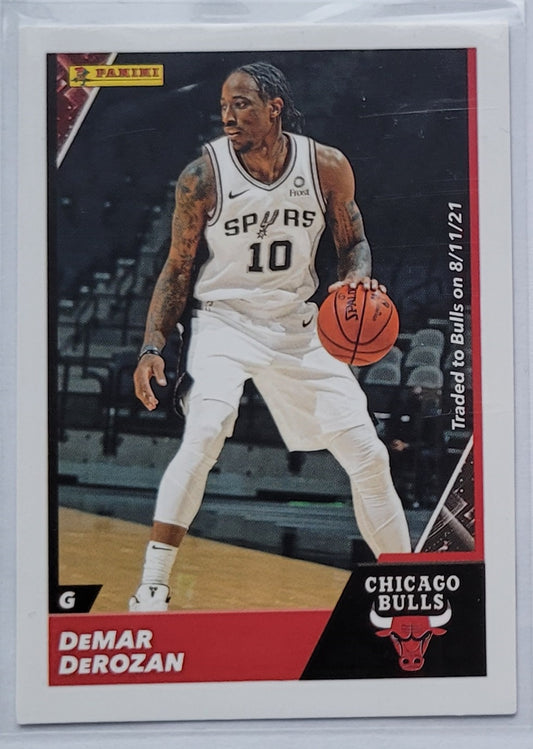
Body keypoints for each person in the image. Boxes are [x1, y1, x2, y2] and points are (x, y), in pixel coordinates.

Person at [129, 62, 411, 611]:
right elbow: (177, 268)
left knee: (368, 454)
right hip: (224, 321)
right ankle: (153, 584)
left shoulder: (325, 166)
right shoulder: (202, 176)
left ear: (274, 107)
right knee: (205, 430)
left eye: (241, 104)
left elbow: (353, 241)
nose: (228, 116)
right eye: (224, 106)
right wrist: (152, 346)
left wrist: (355, 279)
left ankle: (404, 589)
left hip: (297, 326)